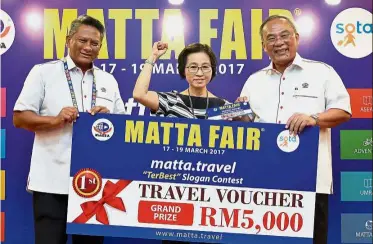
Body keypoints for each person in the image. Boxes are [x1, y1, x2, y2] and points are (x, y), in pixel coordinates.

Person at [237, 15, 351, 244]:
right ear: (264, 46)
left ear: (296, 38)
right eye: (271, 38)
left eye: (284, 35)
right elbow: (246, 124)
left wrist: (313, 118)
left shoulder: (322, 72)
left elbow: (343, 111)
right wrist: (240, 118)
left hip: (310, 180)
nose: (278, 42)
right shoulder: (253, 81)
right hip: (264, 179)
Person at [13, 15, 125, 244]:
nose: (88, 47)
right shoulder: (43, 73)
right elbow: (19, 118)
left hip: (95, 186)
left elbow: (122, 130)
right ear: (68, 40)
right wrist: (54, 120)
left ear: (100, 47)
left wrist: (111, 120)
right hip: (52, 182)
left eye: (94, 43)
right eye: (82, 40)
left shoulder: (109, 80)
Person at [133, 42, 227, 244]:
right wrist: (152, 58)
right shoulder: (172, 101)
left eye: (205, 66)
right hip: (176, 194)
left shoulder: (225, 107)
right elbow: (139, 94)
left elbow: (255, 133)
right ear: (184, 71)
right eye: (193, 67)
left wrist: (243, 112)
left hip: (212, 194)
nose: (199, 72)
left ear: (213, 69)